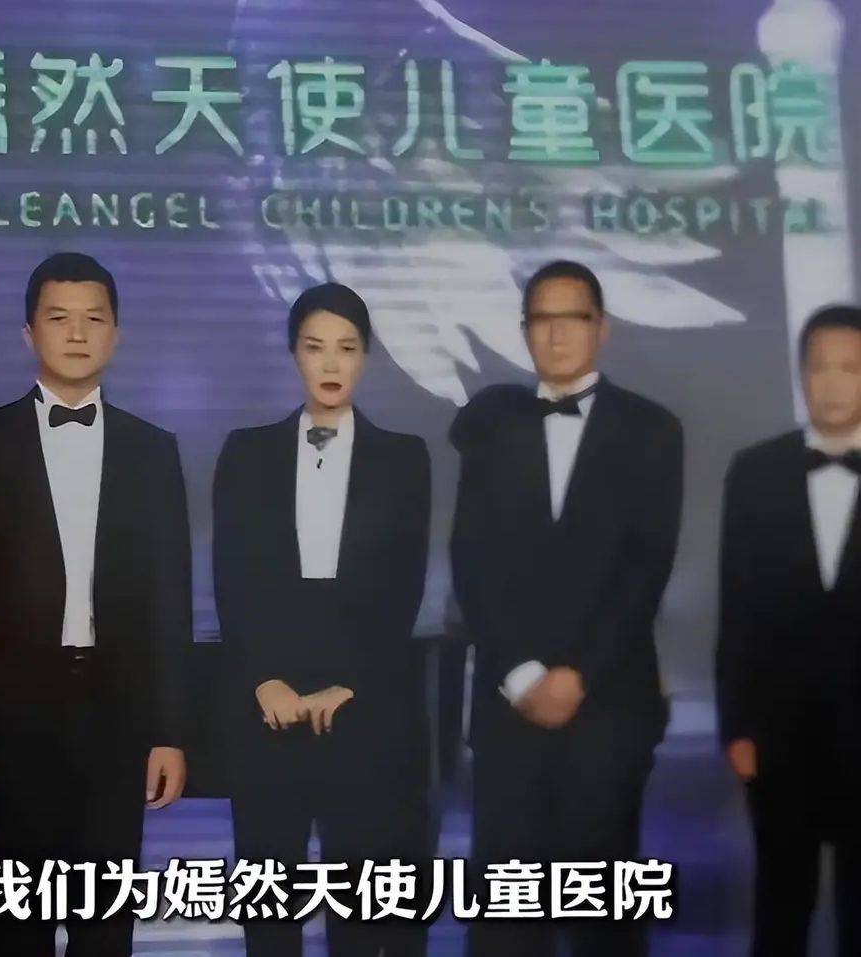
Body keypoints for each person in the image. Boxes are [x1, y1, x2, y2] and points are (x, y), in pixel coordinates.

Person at [0, 252, 191, 957]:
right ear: (28, 332)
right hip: (15, 712)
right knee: (17, 922)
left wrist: (169, 730)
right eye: (59, 318)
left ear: (116, 334)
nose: (77, 333)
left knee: (106, 923)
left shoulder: (152, 450)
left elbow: (170, 599)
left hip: (118, 712)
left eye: (93, 319)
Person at [450, 260, 683, 957]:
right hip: (508, 711)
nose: (556, 334)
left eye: (572, 318)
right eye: (541, 320)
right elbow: (472, 562)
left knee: (605, 919)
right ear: (524, 331)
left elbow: (645, 569)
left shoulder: (652, 429)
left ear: (601, 328)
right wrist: (522, 675)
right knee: (505, 919)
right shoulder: (491, 426)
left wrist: (577, 674)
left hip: (610, 707)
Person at [213, 282, 431, 957]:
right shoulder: (246, 452)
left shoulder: (404, 458)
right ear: (294, 354)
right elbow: (231, 580)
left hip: (362, 705)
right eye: (315, 347)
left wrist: (350, 684)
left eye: (347, 348)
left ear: (365, 357)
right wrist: (263, 680)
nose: (331, 363)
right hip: (266, 706)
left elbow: (403, 589)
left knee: (360, 913)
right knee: (268, 908)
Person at [716, 305, 861, 957]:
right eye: (819, 367)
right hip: (780, 736)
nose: (832, 383)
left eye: (850, 368)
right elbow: (737, 606)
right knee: (780, 908)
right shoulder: (756, 470)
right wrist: (736, 727)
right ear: (801, 374)